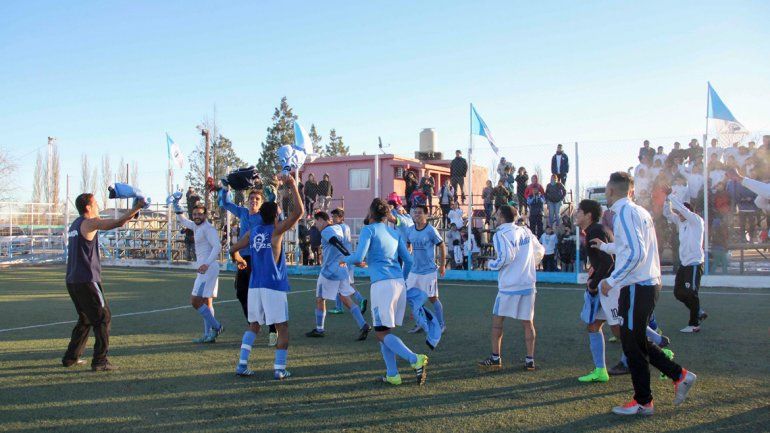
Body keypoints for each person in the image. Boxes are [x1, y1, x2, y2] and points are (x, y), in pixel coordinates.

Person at [596, 172, 697, 416]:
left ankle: (644, 401)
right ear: (631, 190)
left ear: (610, 191)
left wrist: (612, 280)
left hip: (637, 285)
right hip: (645, 283)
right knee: (635, 339)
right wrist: (606, 246)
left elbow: (636, 253)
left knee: (631, 343)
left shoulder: (623, 214)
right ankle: (679, 375)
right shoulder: (639, 212)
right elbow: (630, 247)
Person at [344, 198, 428, 386]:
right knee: (385, 332)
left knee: (381, 334)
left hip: (382, 286)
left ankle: (415, 359)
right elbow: (409, 261)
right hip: (398, 284)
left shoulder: (369, 230)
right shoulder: (394, 232)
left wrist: (344, 259)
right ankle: (392, 375)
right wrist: (401, 278)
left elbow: (359, 256)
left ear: (372, 213)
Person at [230, 175, 304, 380]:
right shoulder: (276, 230)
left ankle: (242, 364)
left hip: (255, 286)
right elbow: (299, 212)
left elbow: (233, 249)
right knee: (283, 328)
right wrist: (292, 185)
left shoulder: (253, 231)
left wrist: (239, 259)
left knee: (253, 325)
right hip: (273, 286)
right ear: (275, 216)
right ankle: (279, 369)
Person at [61, 193, 145, 371]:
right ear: (88, 207)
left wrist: (132, 213)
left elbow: (116, 220)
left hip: (72, 280)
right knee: (103, 317)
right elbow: (116, 223)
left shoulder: (76, 224)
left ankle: (71, 357)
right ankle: (100, 360)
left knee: (85, 318)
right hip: (87, 280)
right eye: (96, 203)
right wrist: (138, 206)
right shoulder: (90, 222)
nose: (98, 206)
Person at [478, 205, 544, 371]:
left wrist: (491, 264)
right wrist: (529, 265)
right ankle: (530, 360)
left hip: (509, 286)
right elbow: (540, 250)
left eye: (497, 214)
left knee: (497, 322)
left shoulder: (501, 234)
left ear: (501, 216)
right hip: (528, 283)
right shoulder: (525, 231)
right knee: (528, 323)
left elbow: (506, 257)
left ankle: (495, 358)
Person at [220, 187, 278, 346]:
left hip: (259, 258)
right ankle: (253, 322)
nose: (253, 201)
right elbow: (225, 203)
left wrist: (274, 197)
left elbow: (275, 215)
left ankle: (273, 329)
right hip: (242, 258)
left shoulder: (264, 216)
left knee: (263, 295)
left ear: (261, 203)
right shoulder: (243, 213)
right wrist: (225, 189)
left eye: (257, 199)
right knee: (240, 292)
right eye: (251, 198)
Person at [305, 211, 371, 340]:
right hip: (342, 269)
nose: (316, 225)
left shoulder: (326, 231)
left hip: (329, 271)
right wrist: (352, 258)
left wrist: (352, 258)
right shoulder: (340, 228)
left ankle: (319, 329)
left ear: (321, 220)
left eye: (316, 222)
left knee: (320, 298)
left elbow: (337, 243)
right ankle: (363, 325)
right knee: (346, 298)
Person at [575, 199, 617, 383]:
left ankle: (661, 351)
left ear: (588, 215)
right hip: (609, 285)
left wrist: (594, 283)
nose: (575, 214)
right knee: (595, 325)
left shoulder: (595, 232)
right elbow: (605, 260)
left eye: (578, 211)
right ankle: (601, 370)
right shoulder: (597, 230)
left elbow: (609, 262)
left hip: (609, 288)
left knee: (622, 330)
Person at [172, 198, 224, 344]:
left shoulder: (208, 229)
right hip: (205, 269)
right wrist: (177, 206)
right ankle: (209, 335)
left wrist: (206, 264)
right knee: (207, 303)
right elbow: (184, 221)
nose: (196, 216)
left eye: (199, 214)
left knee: (195, 301)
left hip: (208, 269)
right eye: (194, 214)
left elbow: (217, 247)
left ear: (205, 215)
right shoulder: (196, 227)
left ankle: (217, 327)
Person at [664, 196, 707, 333]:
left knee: (691, 293)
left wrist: (671, 195)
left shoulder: (696, 221)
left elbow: (684, 211)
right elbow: (667, 213)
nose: (679, 215)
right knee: (678, 293)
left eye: (682, 212)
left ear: (688, 213)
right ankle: (698, 311)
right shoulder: (681, 222)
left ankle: (694, 324)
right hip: (684, 264)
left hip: (694, 263)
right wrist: (667, 200)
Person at [406, 204, 447, 333]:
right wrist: (409, 251)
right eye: (415, 213)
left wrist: (442, 265)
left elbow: (442, 246)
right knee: (411, 297)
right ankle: (421, 323)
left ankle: (441, 324)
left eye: (419, 213)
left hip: (429, 271)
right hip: (414, 271)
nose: (416, 215)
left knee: (432, 298)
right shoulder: (410, 230)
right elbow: (408, 244)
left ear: (426, 215)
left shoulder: (431, 230)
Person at [330, 208, 368, 313]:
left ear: (341, 217)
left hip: (342, 260)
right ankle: (339, 307)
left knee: (344, 284)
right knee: (343, 283)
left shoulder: (338, 228)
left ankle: (360, 299)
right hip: (348, 259)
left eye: (335, 216)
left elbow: (337, 243)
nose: (333, 218)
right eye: (332, 216)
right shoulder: (346, 226)